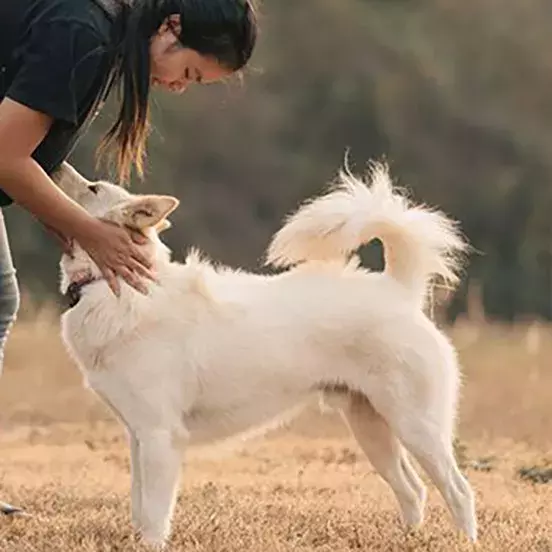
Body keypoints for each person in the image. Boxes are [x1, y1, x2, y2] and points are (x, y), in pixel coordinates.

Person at [0, 0, 257, 514]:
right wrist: (88, 232)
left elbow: (32, 148)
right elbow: (4, 155)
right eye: (187, 71)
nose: (179, 86)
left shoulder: (105, 37)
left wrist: (72, 227)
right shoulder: (81, 32)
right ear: (172, 26)